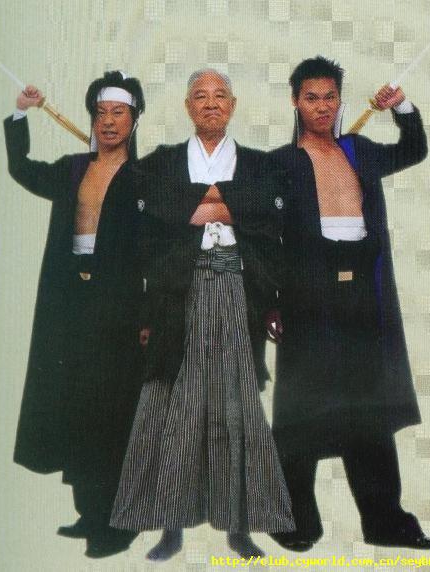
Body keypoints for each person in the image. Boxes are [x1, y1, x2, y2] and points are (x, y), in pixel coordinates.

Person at [109, 69, 294, 560]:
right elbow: (154, 222)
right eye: (200, 96)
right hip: (178, 290)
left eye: (219, 96)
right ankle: (171, 526)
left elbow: (267, 218)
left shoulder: (259, 165)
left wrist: (199, 204)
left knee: (236, 402)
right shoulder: (161, 163)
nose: (210, 104)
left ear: (233, 104)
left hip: (237, 286)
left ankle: (239, 525)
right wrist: (226, 203)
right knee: (177, 403)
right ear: (188, 106)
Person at [268, 56, 430, 551]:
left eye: (330, 97)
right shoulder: (280, 163)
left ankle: (385, 523)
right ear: (295, 101)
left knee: (370, 409)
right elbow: (263, 238)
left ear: (339, 100)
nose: (321, 107)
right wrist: (271, 302)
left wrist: (401, 107)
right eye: (311, 98)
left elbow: (413, 150)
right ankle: (293, 521)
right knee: (301, 407)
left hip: (364, 293)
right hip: (306, 294)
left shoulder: (359, 150)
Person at [3, 71, 145, 558]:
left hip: (120, 305)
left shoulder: (146, 178)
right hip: (72, 301)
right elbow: (21, 169)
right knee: (77, 405)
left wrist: (149, 315)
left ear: (133, 119)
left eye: (118, 112)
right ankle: (89, 512)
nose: (108, 121)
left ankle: (119, 523)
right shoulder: (72, 169)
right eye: (101, 113)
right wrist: (20, 113)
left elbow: (157, 250)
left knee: (113, 411)